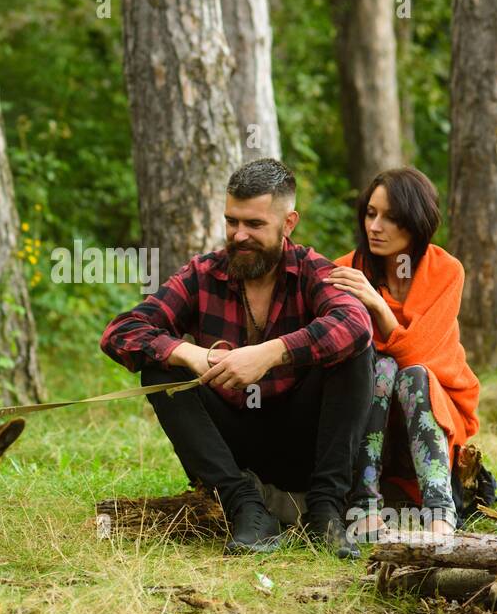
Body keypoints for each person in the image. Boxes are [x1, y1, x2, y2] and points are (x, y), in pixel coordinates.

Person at [100, 159, 374, 558]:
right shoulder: (202, 274)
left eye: (255, 225)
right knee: (161, 367)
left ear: (289, 222)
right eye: (232, 221)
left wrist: (270, 354)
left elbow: (355, 324)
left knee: (354, 354)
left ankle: (325, 512)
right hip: (234, 450)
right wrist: (187, 352)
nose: (239, 235)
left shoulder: (314, 271)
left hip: (303, 441)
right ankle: (245, 507)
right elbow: (120, 332)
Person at [326, 168, 481, 539]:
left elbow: (419, 354)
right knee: (380, 368)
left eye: (391, 217)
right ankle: (364, 505)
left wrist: (377, 307)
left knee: (408, 373)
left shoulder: (446, 271)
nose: (375, 226)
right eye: (370, 213)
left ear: (416, 221)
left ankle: (440, 512)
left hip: (433, 399)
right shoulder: (346, 270)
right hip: (367, 407)